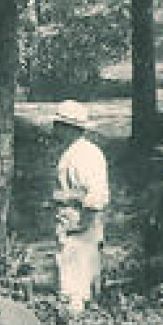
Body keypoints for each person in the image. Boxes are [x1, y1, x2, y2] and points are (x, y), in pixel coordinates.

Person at [52, 100, 109, 312]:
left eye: (59, 125)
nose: (55, 130)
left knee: (75, 288)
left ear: (71, 128)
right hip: (73, 226)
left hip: (79, 229)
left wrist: (82, 224)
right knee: (77, 280)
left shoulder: (84, 155)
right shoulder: (72, 151)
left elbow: (96, 195)